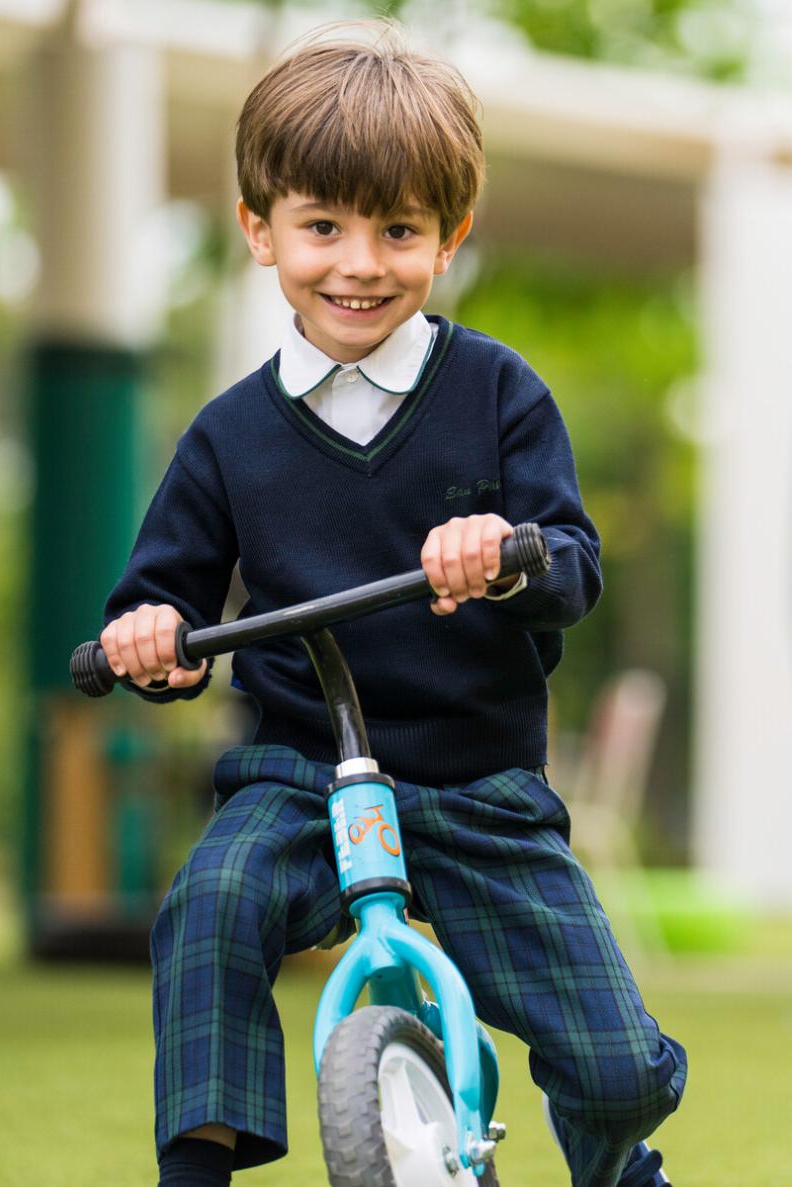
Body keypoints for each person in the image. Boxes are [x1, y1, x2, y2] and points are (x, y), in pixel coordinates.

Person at [100, 22, 686, 1187]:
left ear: (450, 236)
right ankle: (195, 1169)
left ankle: (618, 1164)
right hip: (297, 772)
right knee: (209, 903)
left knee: (617, 1066)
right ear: (259, 230)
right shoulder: (228, 437)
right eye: (322, 226)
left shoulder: (497, 392)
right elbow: (162, 596)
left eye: (399, 230)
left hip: (478, 779)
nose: (358, 263)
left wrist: (507, 556)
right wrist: (151, 638)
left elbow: (572, 568)